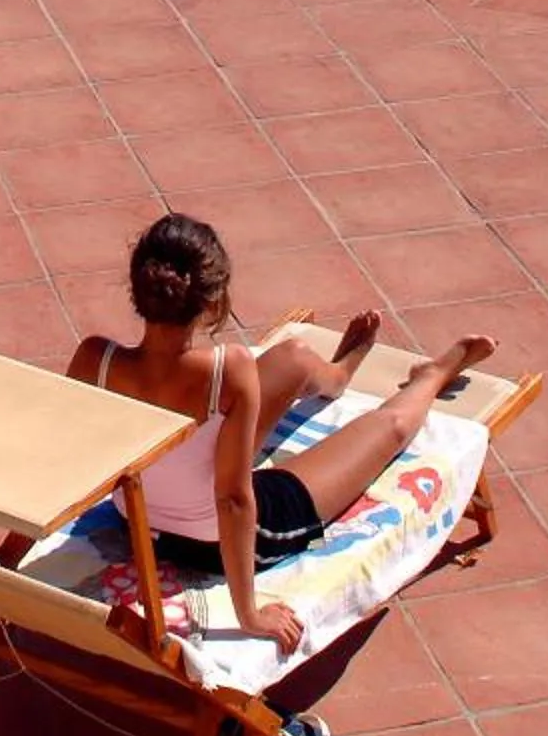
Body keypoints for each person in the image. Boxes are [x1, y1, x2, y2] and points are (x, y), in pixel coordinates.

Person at [67, 213, 496, 651]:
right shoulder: (226, 370)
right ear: (214, 303)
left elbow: (58, 464)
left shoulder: (95, 359)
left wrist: (9, 555)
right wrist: (248, 614)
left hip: (136, 519)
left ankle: (338, 374)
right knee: (388, 427)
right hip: (216, 541)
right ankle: (432, 375)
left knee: (292, 356)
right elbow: (233, 500)